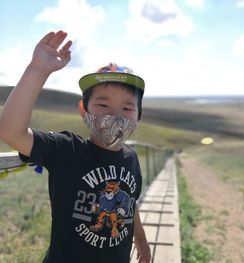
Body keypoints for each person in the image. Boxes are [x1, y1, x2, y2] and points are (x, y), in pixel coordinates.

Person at [0, 30, 151, 263]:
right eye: (103, 104)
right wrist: (37, 70)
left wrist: (140, 240)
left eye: (127, 108)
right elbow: (11, 131)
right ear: (84, 110)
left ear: (138, 116)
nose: (115, 116)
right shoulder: (66, 150)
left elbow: (130, 202)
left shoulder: (131, 158)